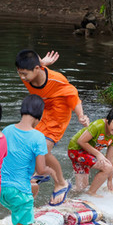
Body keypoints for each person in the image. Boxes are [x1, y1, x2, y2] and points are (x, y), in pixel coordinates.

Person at [15, 49, 89, 206]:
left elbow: (73, 97)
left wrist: (80, 115)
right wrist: (40, 63)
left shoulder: (57, 80)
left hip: (60, 112)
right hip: (44, 110)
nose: (22, 78)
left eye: (24, 74)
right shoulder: (29, 74)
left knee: (43, 149)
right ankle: (41, 172)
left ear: (36, 69)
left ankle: (61, 183)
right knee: (30, 144)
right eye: (20, 73)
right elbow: (31, 68)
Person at [0, 95, 51, 225]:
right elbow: (41, 167)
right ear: (38, 116)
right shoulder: (38, 136)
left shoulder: (7, 130)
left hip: (0, 189)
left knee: (33, 188)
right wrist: (51, 171)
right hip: (20, 192)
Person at [66, 107, 113, 194]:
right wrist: (98, 154)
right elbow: (81, 141)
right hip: (76, 150)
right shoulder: (98, 126)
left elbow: (111, 158)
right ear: (108, 120)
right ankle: (91, 193)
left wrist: (109, 180)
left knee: (81, 187)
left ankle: (64, 191)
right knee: (107, 167)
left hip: (87, 153)